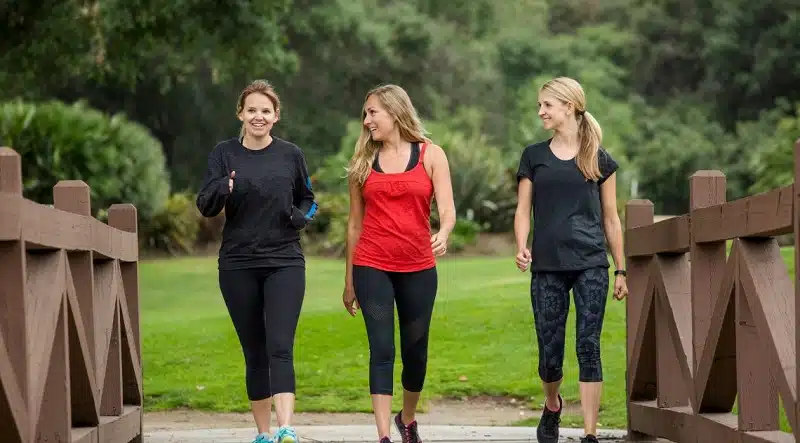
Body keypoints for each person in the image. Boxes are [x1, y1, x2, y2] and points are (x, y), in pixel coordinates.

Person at [196, 79, 317, 443]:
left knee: (280, 344)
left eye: (266, 110)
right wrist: (223, 188)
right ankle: (263, 433)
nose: (258, 116)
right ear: (241, 114)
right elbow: (205, 205)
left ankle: (286, 429)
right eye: (252, 110)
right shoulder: (224, 154)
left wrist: (301, 216)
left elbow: (309, 198)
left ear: (276, 116)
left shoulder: (291, 154)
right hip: (238, 265)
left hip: (284, 261)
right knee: (255, 350)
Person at [513, 76, 628, 443]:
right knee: (550, 353)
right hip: (547, 265)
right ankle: (552, 405)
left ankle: (590, 433)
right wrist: (521, 244)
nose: (540, 111)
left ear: (568, 106)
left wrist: (621, 268)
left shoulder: (599, 160)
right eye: (540, 105)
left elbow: (611, 218)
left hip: (592, 263)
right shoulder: (534, 156)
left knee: (588, 345)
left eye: (546, 104)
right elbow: (522, 209)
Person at [342, 84, 456, 443]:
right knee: (382, 349)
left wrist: (445, 231)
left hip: (418, 267)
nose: (367, 120)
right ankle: (383, 437)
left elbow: (447, 208)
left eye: (373, 112)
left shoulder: (431, 154)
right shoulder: (362, 161)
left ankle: (406, 419)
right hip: (371, 264)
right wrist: (349, 282)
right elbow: (354, 224)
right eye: (365, 114)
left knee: (415, 352)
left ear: (394, 111)